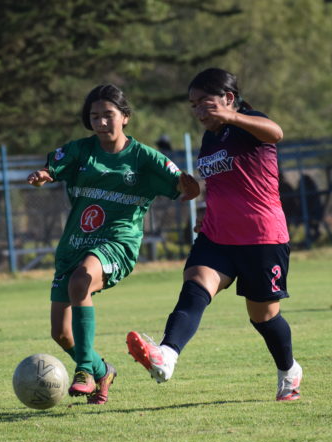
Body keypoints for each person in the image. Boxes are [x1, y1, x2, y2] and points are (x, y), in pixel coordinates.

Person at [126, 68, 303, 402]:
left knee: (263, 316)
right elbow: (223, 183)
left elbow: (276, 133)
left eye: (203, 104)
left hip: (261, 236)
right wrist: (208, 211)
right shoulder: (211, 138)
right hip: (218, 235)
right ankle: (167, 355)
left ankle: (289, 370)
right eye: (193, 106)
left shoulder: (251, 123)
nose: (197, 112)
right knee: (194, 286)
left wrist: (234, 117)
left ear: (228, 99)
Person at [27, 84, 199, 405]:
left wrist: (189, 187)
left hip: (117, 243)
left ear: (125, 118)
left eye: (109, 115)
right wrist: (45, 174)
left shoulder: (144, 158)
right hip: (74, 245)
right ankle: (103, 369)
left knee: (81, 282)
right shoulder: (81, 151)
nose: (101, 122)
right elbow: (55, 166)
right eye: (94, 116)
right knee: (61, 333)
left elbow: (183, 187)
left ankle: (84, 371)